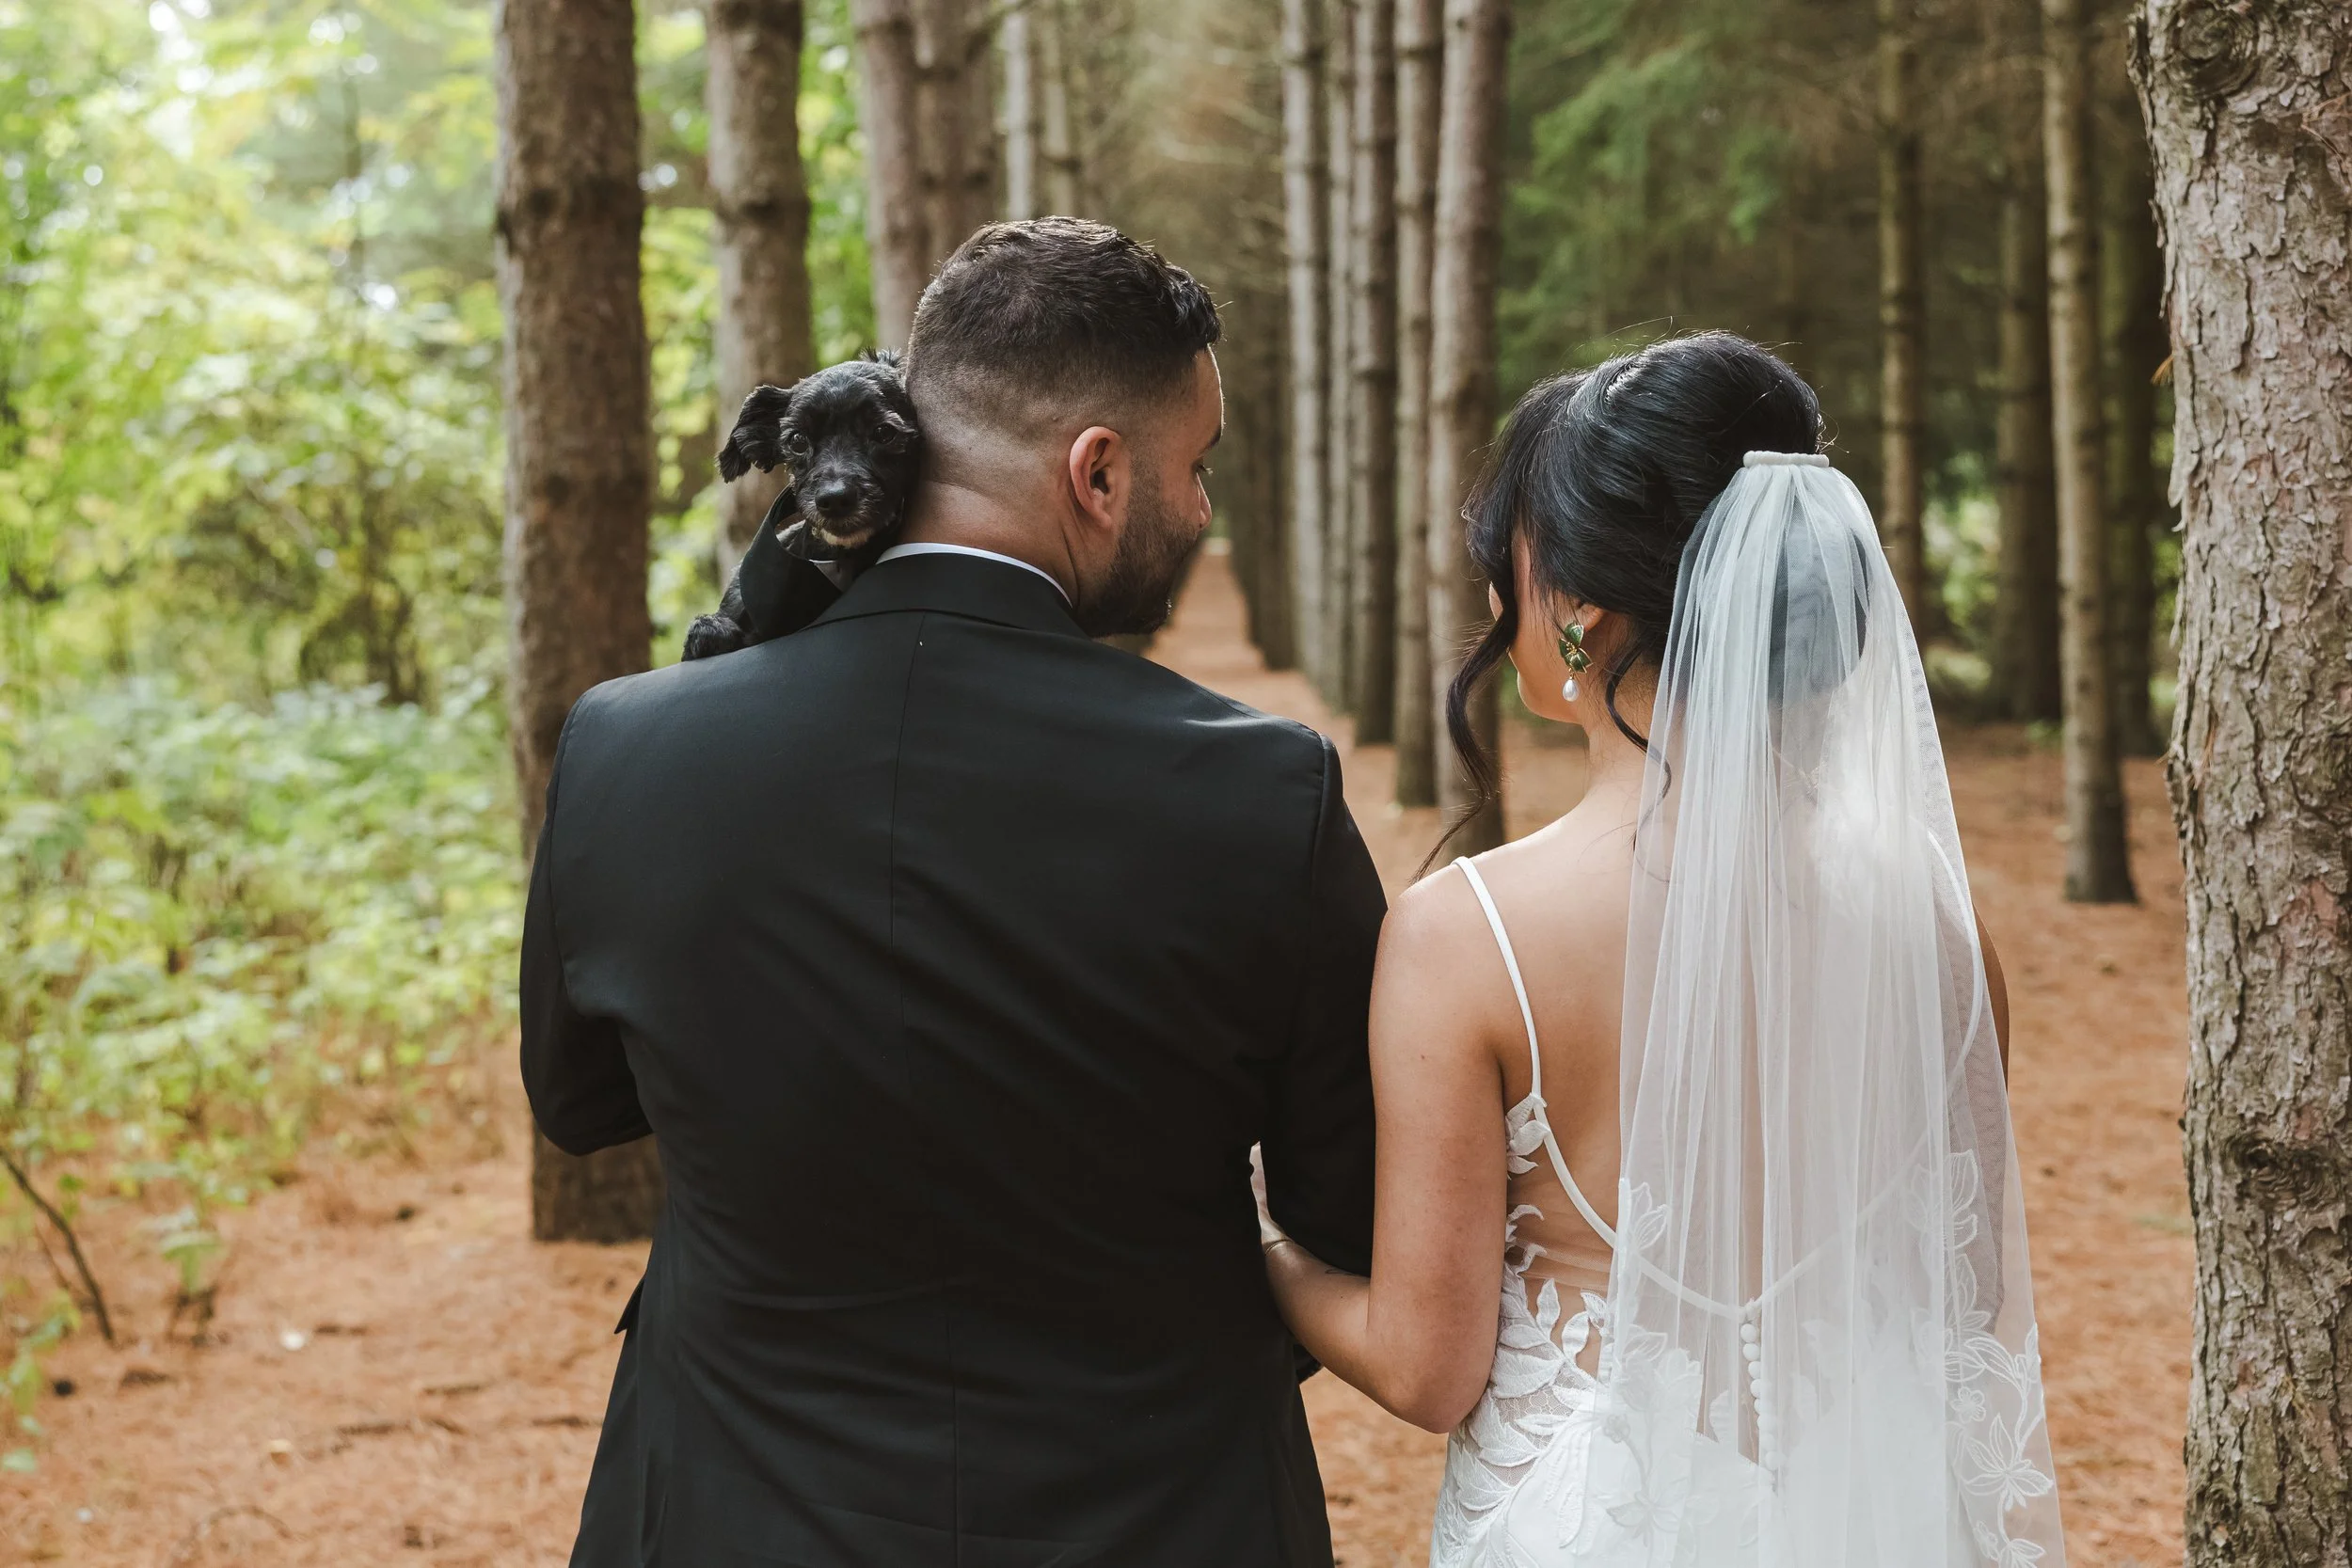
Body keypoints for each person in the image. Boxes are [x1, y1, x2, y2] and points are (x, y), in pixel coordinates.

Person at [521, 218, 1385, 1567]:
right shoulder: (1268, 793)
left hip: (725, 1512)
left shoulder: (626, 745)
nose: (1204, 512)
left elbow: (580, 1105)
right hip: (1160, 1514)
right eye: (1195, 467)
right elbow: (1348, 1216)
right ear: (1097, 472)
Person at [1264, 334, 2069, 1567]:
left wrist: (1262, 1250)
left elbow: (1429, 1366)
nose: (1500, 600)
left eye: (1515, 565)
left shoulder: (1467, 939)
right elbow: (1960, 1329)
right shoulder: (1943, 939)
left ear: (1581, 618)